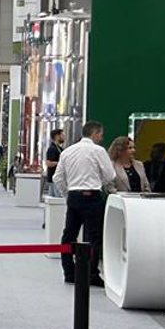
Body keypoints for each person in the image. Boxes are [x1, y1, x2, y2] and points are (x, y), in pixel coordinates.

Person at [54, 120, 117, 286]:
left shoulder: (67, 152)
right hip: (92, 196)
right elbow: (110, 175)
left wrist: (68, 194)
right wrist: (98, 182)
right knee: (93, 237)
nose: (101, 138)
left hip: (74, 196)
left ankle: (69, 272)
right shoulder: (98, 151)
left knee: (68, 235)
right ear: (95, 134)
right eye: (100, 134)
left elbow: (57, 177)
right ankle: (91, 274)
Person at [43, 127, 66, 195]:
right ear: (57, 136)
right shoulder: (52, 149)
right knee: (56, 198)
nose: (64, 137)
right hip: (54, 180)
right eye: (62, 135)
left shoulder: (60, 149)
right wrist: (60, 163)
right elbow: (49, 163)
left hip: (58, 179)